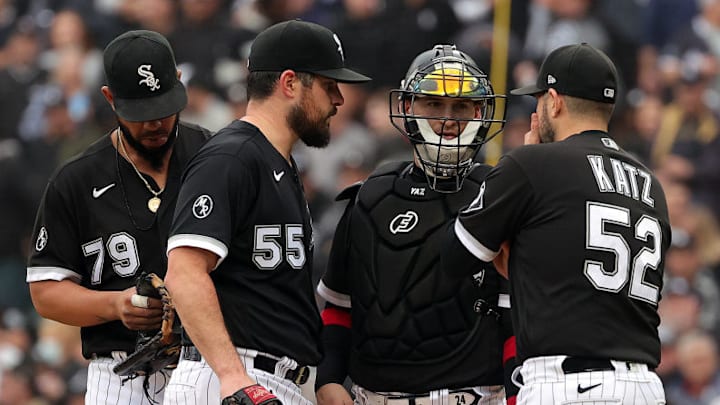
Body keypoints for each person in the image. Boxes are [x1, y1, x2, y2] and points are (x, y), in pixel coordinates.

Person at [162, 19, 371, 405]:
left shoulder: (278, 163)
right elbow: (185, 272)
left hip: (274, 377)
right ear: (289, 83)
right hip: (231, 374)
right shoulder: (233, 157)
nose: (339, 99)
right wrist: (232, 378)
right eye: (329, 85)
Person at [448, 43, 670, 404]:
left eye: (538, 100)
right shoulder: (650, 183)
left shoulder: (532, 165)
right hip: (643, 386)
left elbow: (455, 257)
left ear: (554, 101)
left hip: (568, 386)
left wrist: (523, 166)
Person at [314, 44, 517, 405]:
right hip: (370, 395)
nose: (448, 118)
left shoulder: (499, 195)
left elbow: (514, 318)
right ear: (407, 107)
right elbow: (339, 306)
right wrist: (328, 380)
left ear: (479, 112)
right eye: (433, 104)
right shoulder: (370, 195)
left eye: (460, 106)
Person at [26, 30, 211, 404]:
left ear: (178, 84)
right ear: (110, 99)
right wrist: (113, 305)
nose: (156, 123)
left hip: (205, 362)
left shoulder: (215, 157)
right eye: (141, 113)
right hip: (120, 374)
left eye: (163, 107)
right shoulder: (75, 180)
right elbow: (45, 291)